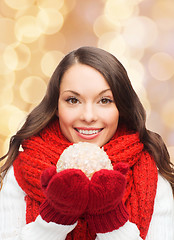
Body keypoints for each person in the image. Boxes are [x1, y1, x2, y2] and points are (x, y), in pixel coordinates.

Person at [0, 46, 174, 240]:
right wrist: (57, 216)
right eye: (73, 100)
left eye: (105, 100)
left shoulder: (153, 178)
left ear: (121, 108)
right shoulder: (20, 173)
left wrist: (110, 219)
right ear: (56, 106)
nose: (88, 116)